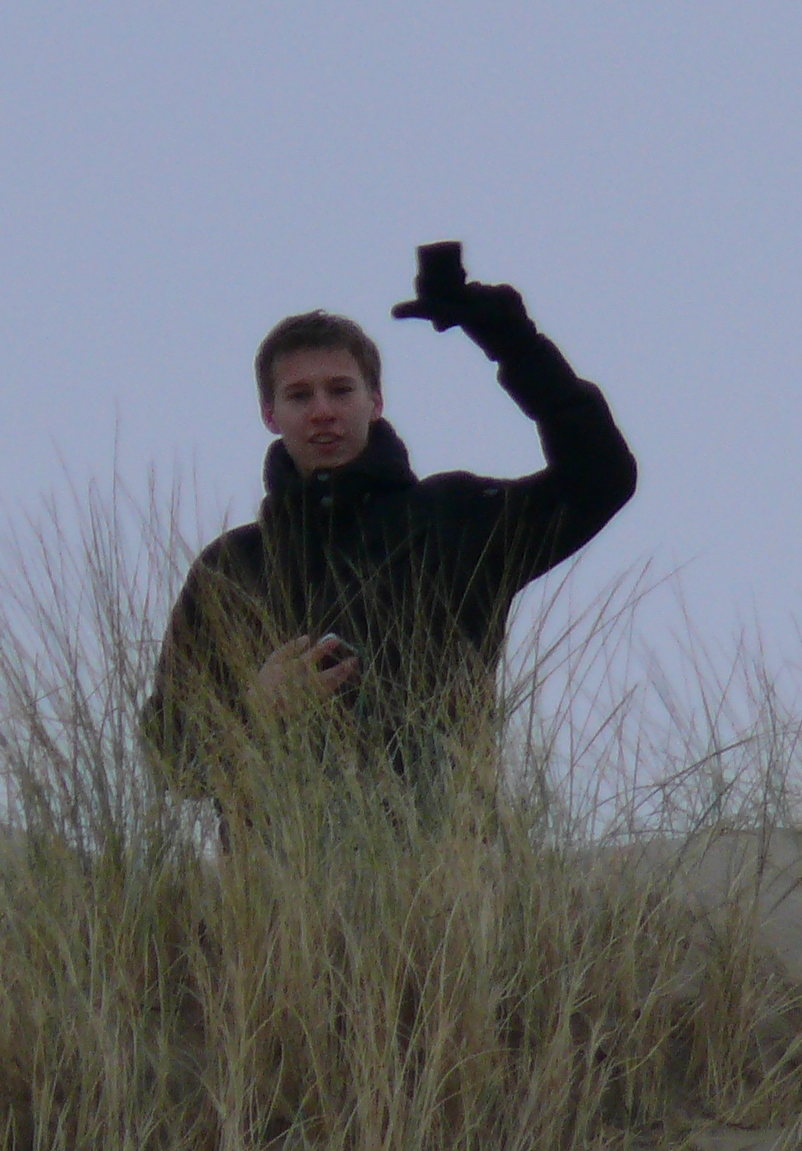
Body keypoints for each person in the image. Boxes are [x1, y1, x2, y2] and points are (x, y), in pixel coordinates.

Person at [142, 246, 636, 816]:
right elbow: (169, 757)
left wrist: (514, 343)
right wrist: (256, 710)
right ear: (269, 414)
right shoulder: (231, 565)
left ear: (375, 401)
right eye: (299, 395)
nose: (322, 410)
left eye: (341, 390)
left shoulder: (455, 519)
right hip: (279, 868)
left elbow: (600, 478)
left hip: (446, 857)